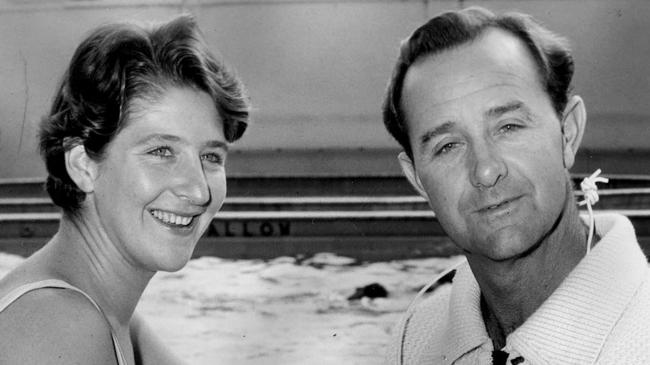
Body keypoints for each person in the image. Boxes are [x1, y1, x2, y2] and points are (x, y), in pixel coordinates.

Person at [382, 6, 650, 365]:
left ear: (567, 134)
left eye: (509, 126)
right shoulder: (414, 338)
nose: (486, 170)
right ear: (417, 179)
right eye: (447, 146)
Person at [0, 14, 249, 364]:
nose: (199, 191)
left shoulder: (117, 319)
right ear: (83, 166)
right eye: (161, 152)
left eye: (210, 156)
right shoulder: (58, 326)